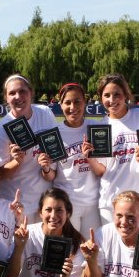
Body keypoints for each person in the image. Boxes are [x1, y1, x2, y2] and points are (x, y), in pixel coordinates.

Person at [12, 188, 85, 277]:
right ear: (40, 212)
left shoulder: (74, 243)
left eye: (59, 210)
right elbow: (11, 275)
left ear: (68, 213)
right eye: (48, 209)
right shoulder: (27, 235)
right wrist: (19, 247)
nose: (53, 215)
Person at [0, 74, 58, 222]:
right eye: (12, 93)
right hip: (17, 204)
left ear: (31, 92)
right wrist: (16, 162)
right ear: (6, 98)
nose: (18, 96)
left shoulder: (45, 113)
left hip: (46, 201)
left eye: (22, 91)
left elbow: (56, 149)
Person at [95, 74, 139, 224]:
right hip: (111, 201)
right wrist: (89, 158)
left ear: (126, 95)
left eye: (117, 94)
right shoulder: (100, 127)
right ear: (101, 97)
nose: (112, 100)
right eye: (107, 95)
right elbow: (102, 170)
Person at [53, 82, 103, 235]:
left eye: (77, 101)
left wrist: (90, 159)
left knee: (93, 245)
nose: (72, 107)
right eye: (67, 102)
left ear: (85, 102)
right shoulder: (55, 133)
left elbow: (103, 170)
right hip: (67, 203)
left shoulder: (96, 128)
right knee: (69, 247)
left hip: (93, 202)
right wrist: (45, 167)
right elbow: (51, 174)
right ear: (61, 105)